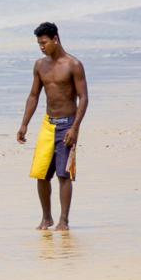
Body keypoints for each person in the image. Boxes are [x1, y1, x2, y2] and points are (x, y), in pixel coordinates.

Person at [17, 22, 89, 231]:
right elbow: (33, 96)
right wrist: (24, 124)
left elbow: (83, 98)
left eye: (44, 42)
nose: (41, 47)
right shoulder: (40, 65)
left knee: (63, 175)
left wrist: (75, 127)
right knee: (41, 174)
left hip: (67, 124)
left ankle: (63, 220)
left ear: (55, 39)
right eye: (39, 43)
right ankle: (46, 218)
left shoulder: (73, 65)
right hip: (48, 125)